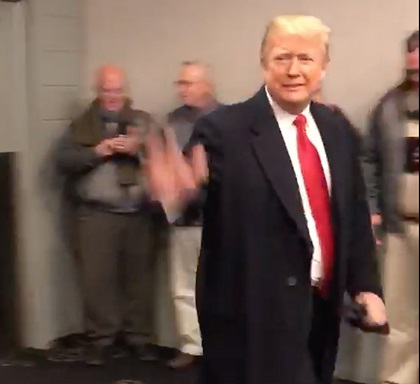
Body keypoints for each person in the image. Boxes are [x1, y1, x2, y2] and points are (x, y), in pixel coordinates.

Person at [145, 15, 387, 384]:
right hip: (251, 320)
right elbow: (198, 203)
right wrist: (178, 196)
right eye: (281, 58)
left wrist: (366, 285)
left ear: (323, 67)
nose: (293, 70)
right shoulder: (224, 130)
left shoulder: (336, 129)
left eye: (305, 59)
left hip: (319, 311)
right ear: (263, 63)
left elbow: (352, 214)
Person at [57, 65, 158, 365]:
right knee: (97, 280)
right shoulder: (80, 125)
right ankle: (102, 339)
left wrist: (138, 150)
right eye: (106, 90)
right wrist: (97, 152)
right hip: (95, 214)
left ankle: (139, 338)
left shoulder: (143, 121)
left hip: (138, 213)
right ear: (97, 91)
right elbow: (64, 160)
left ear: (125, 91)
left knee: (140, 280)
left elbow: (165, 157)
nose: (112, 96)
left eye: (117, 89)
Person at [363, 30, 419, 384]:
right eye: (412, 66)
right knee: (399, 314)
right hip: (401, 226)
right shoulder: (388, 107)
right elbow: (368, 159)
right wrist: (372, 207)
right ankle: (400, 378)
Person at [166, 61, 222, 369]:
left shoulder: (227, 119)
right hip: (183, 216)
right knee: (183, 285)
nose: (183, 89)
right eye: (180, 82)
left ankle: (220, 346)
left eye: (189, 83)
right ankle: (191, 345)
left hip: (217, 216)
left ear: (207, 85)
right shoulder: (172, 122)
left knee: (221, 284)